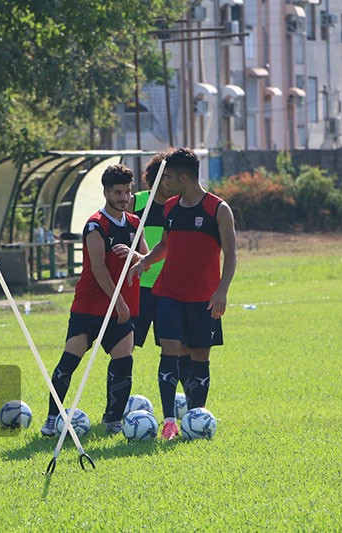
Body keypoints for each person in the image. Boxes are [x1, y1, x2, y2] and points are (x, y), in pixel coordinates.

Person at [130, 147, 237, 440]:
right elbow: (165, 245)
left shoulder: (218, 209)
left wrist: (222, 291)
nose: (164, 183)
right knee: (170, 349)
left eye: (168, 178)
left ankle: (195, 416)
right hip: (169, 294)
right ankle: (169, 422)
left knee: (199, 354)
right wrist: (145, 261)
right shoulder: (170, 207)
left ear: (184, 178)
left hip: (204, 298)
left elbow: (231, 254)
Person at [40, 164, 148, 437]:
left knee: (123, 361)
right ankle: (52, 418)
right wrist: (118, 301)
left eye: (127, 191)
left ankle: (113, 420)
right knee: (70, 361)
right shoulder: (95, 225)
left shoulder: (135, 224)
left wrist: (134, 255)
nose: (124, 197)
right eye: (118, 192)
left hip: (122, 308)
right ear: (106, 192)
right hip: (90, 307)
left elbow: (146, 260)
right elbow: (98, 269)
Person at [127, 150, 191, 391]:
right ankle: (118, 404)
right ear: (155, 178)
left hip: (171, 290)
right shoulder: (136, 202)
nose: (169, 183)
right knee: (125, 347)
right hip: (139, 288)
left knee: (178, 348)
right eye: (166, 177)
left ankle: (191, 401)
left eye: (172, 177)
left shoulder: (182, 206)